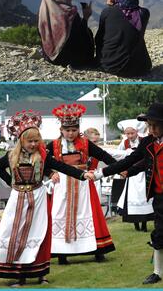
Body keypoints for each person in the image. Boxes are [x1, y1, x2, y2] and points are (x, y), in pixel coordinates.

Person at [0, 110, 93, 286]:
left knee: (39, 232)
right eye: (30, 141)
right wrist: (11, 183)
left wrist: (82, 175)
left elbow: (62, 167)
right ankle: (17, 274)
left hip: (37, 197)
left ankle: (40, 273)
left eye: (36, 141)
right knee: (14, 231)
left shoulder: (43, 156)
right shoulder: (11, 156)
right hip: (17, 198)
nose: (33, 144)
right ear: (21, 140)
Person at [92, 102, 163, 284]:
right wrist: (101, 173)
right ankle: (158, 272)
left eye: (155, 125)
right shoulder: (148, 142)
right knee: (159, 233)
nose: (152, 129)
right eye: (149, 125)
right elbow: (133, 160)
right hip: (159, 196)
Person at [48, 103, 116, 265]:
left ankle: (98, 250)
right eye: (67, 130)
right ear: (61, 130)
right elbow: (41, 160)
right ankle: (62, 253)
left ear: (78, 129)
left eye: (73, 130)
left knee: (91, 215)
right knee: (60, 215)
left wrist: (119, 168)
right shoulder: (54, 145)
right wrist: (50, 173)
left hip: (83, 183)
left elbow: (104, 156)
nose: (70, 133)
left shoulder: (86, 144)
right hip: (62, 185)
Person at [95, 0, 151, 77]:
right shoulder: (144, 14)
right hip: (139, 67)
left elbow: (99, 38)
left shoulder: (107, 12)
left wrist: (112, 6)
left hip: (109, 66)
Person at [38, 0, 96, 68]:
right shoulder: (70, 13)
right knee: (89, 32)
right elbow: (80, 37)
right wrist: (85, 18)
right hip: (69, 59)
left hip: (49, 57)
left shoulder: (42, 12)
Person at [116, 120, 154, 232]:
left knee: (144, 196)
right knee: (132, 197)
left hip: (142, 173)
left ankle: (144, 223)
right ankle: (136, 223)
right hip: (131, 174)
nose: (130, 136)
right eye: (127, 134)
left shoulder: (143, 141)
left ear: (136, 132)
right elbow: (118, 154)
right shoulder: (124, 143)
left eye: (132, 133)